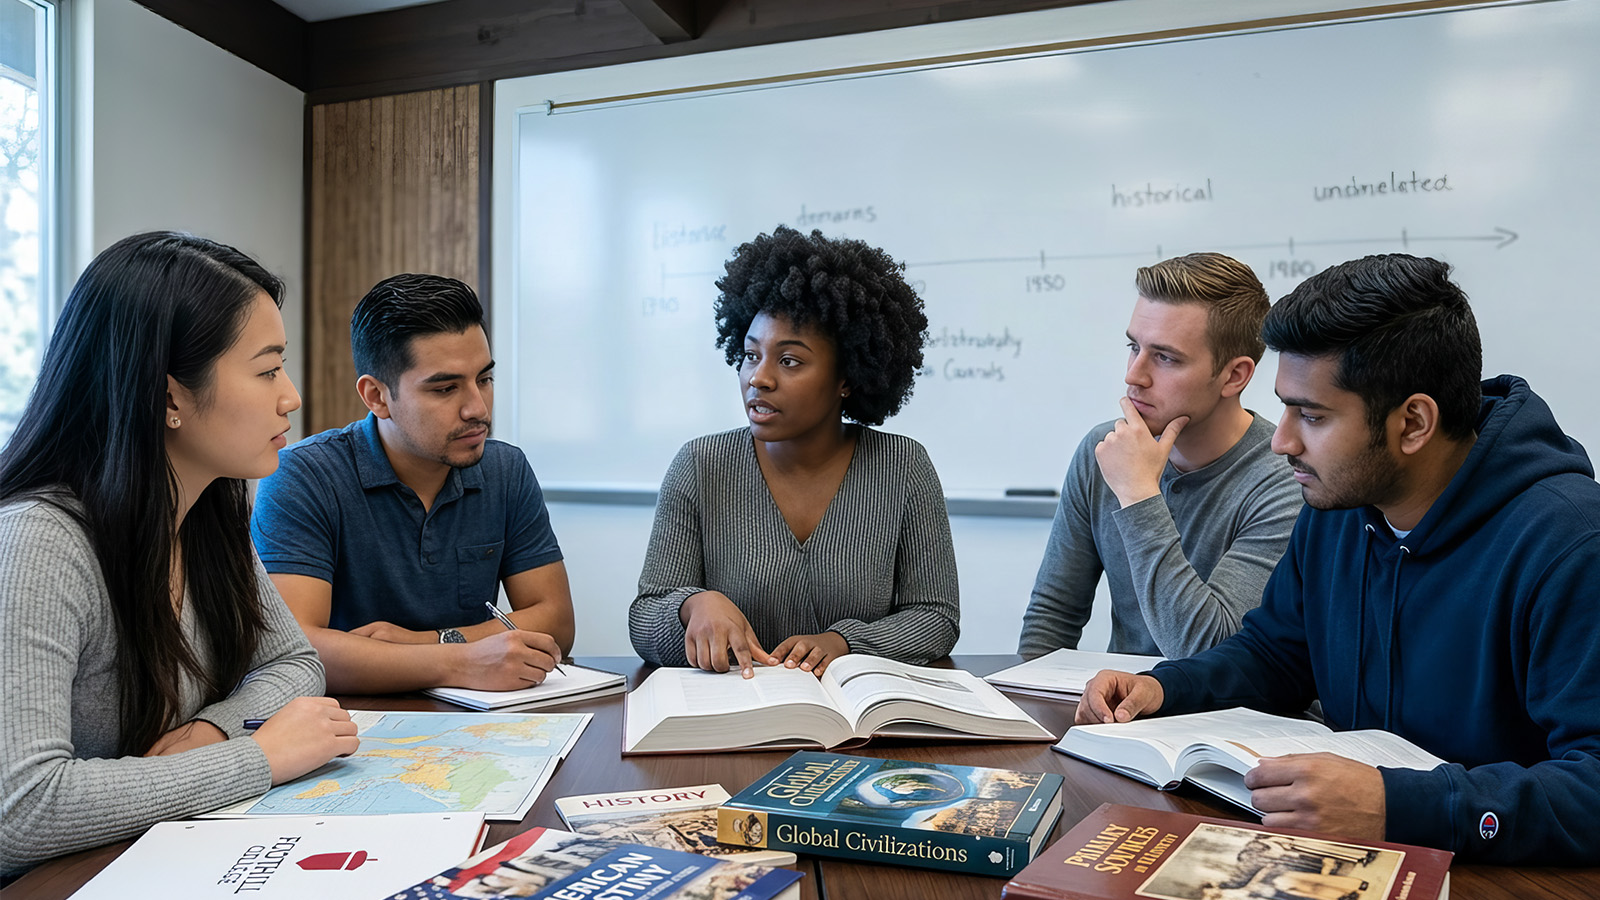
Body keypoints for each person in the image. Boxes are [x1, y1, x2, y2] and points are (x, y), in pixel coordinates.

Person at [1077, 254, 1600, 864]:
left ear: (1413, 423)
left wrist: (1398, 805)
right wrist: (1163, 688)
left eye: (1313, 416)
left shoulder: (1569, 544)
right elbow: (1275, 656)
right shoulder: (1340, 506)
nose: (1281, 440)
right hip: (1352, 857)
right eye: (1286, 407)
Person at [0, 232, 359, 878]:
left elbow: (294, 662)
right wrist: (255, 757)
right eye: (268, 368)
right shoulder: (39, 541)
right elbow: (20, 808)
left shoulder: (205, 511)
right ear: (170, 398)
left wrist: (215, 730)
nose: (291, 397)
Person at [628, 226, 959, 677]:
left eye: (789, 361)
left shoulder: (903, 467)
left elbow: (936, 617)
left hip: (859, 725)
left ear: (847, 378)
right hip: (737, 717)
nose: (758, 378)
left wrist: (846, 643)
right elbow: (645, 618)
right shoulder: (700, 465)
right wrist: (692, 605)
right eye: (749, 355)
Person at [252, 274, 574, 694]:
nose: (477, 408)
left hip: (481, 722)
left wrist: (429, 644)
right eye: (445, 388)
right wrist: (460, 662)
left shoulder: (505, 470)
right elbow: (296, 648)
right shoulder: (303, 475)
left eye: (485, 379)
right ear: (376, 397)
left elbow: (556, 623)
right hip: (353, 728)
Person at [1019, 253, 1300, 659]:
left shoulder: (1284, 482)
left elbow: (1210, 653)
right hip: (1113, 714)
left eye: (1166, 357)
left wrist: (1138, 494)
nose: (1134, 374)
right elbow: (1052, 619)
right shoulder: (1102, 451)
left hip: (1222, 719)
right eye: (1134, 347)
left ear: (1234, 375)